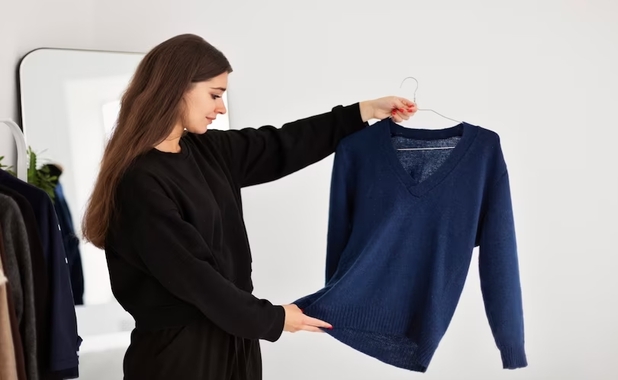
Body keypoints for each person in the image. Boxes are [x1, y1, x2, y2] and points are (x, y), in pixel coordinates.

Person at [81, 33, 417, 380]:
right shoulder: (139, 182)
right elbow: (195, 277)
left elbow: (281, 144)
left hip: (235, 337)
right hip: (180, 354)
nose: (221, 108)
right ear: (177, 87)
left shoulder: (207, 150)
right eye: (214, 95)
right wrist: (273, 318)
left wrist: (363, 112)